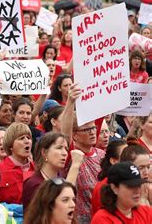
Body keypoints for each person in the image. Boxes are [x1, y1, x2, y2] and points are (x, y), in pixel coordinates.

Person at [61, 83, 105, 224]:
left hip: (102, 216)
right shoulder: (72, 154)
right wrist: (70, 102)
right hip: (78, 219)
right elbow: (65, 134)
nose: (93, 132)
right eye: (87, 130)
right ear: (75, 135)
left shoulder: (103, 154)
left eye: (94, 128)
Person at [23, 132, 84, 210]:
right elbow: (60, 211)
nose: (65, 153)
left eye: (66, 149)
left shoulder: (60, 179)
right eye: (59, 148)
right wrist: (75, 166)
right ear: (44, 153)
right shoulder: (33, 184)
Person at [0, 122, 35, 204]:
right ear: (10, 146)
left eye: (28, 138)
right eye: (21, 138)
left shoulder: (37, 169)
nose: (27, 141)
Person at [91, 139, 127, 215]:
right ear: (113, 161)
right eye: (125, 156)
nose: (130, 159)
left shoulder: (130, 180)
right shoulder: (102, 187)